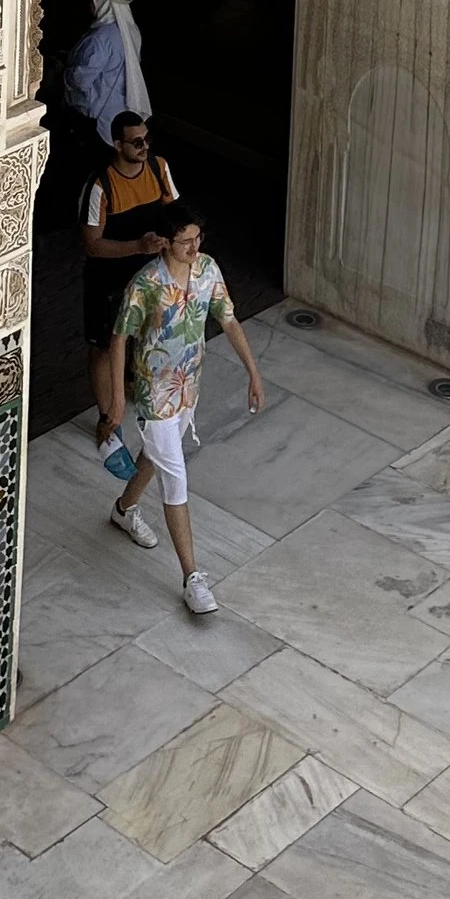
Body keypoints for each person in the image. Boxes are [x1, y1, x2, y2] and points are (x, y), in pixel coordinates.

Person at [101, 206, 264, 618]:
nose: (194, 246)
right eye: (186, 240)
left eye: (197, 238)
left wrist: (254, 373)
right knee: (176, 477)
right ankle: (193, 577)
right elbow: (118, 338)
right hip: (154, 393)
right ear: (166, 242)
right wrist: (118, 400)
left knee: (156, 458)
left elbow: (228, 320)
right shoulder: (147, 284)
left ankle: (123, 510)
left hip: (188, 387)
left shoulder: (208, 269)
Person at [80, 108, 178, 453]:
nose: (144, 146)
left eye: (147, 139)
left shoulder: (159, 168)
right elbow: (92, 244)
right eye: (137, 142)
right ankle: (108, 419)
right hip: (109, 283)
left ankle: (134, 389)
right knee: (105, 346)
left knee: (148, 336)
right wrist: (137, 246)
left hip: (149, 279)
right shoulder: (100, 185)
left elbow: (176, 214)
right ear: (118, 144)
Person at [59, 0, 149, 164]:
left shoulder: (99, 39)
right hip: (121, 112)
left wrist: (65, 71)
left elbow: (81, 81)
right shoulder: (131, 32)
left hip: (97, 118)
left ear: (101, 3)